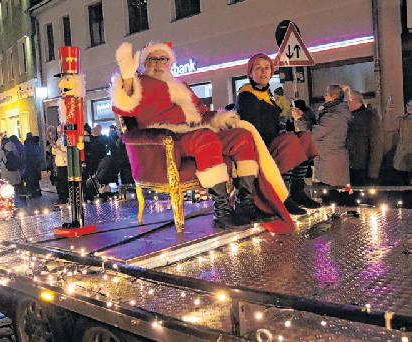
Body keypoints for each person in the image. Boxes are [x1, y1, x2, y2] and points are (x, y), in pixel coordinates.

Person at [110, 42, 293, 233]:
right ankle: (222, 212)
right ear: (145, 63)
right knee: (205, 137)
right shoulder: (139, 83)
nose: (158, 64)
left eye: (163, 59)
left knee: (242, 136)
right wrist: (127, 77)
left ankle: (245, 204)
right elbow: (124, 106)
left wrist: (224, 119)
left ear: (169, 63)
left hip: (195, 132)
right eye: (153, 59)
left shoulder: (181, 86)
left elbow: (203, 113)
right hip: (169, 140)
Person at [234, 53, 320, 215]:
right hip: (259, 148)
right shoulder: (246, 95)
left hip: (273, 142)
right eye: (258, 68)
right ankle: (283, 194)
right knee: (289, 140)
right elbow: (252, 128)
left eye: (267, 68)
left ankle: (297, 190)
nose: (263, 72)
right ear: (250, 73)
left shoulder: (269, 96)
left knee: (304, 138)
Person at [312, 84, 352, 186]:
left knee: (333, 194)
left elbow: (314, 134)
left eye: (326, 94)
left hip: (330, 163)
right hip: (329, 160)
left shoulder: (333, 116)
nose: (324, 96)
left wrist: (300, 119)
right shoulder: (336, 111)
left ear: (333, 96)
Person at [346, 90, 384, 185]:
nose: (346, 104)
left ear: (357, 101)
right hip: (346, 167)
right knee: (347, 193)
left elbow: (377, 145)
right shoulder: (345, 117)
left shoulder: (370, 116)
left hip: (362, 167)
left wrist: (373, 173)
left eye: (348, 101)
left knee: (361, 195)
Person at [388, 97, 412, 185]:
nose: (410, 108)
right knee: (404, 181)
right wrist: (389, 112)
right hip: (403, 156)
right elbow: (389, 127)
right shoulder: (401, 119)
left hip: (406, 154)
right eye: (408, 105)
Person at [52, 127, 69, 205]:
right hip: (59, 164)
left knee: (64, 182)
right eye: (58, 132)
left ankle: (65, 198)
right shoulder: (59, 140)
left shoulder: (66, 140)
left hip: (64, 164)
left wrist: (57, 149)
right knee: (60, 182)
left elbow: (66, 154)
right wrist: (54, 148)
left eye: (60, 132)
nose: (58, 134)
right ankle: (62, 197)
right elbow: (54, 153)